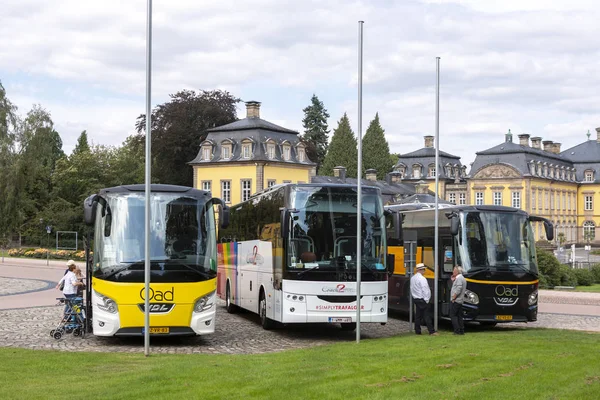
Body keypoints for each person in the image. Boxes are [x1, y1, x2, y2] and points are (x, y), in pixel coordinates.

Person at [410, 263, 438, 336]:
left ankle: (417, 330)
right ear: (421, 270)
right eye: (423, 269)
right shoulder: (422, 279)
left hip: (416, 299)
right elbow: (425, 290)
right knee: (427, 315)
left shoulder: (413, 278)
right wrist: (426, 300)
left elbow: (412, 289)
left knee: (418, 316)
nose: (424, 271)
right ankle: (431, 331)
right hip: (422, 299)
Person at [450, 265, 467, 335]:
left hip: (456, 300)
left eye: (454, 270)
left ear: (457, 271)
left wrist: (453, 298)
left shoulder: (459, 279)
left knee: (453, 315)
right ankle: (461, 330)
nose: (453, 271)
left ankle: (457, 330)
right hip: (460, 300)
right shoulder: (462, 278)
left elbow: (458, 289)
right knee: (459, 316)